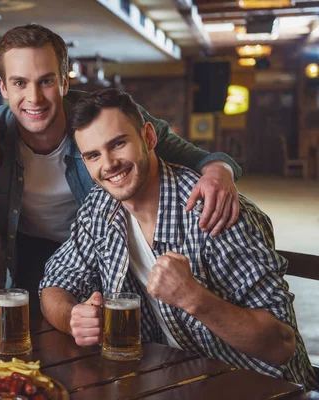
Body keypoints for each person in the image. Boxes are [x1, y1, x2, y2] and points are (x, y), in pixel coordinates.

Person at [0, 24, 242, 309]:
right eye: (20, 83)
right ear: (4, 89)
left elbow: (197, 158)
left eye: (45, 81)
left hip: (97, 253)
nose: (34, 97)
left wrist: (220, 171)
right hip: (22, 252)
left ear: (63, 80)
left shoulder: (101, 121)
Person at [39, 88, 316, 390]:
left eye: (118, 144)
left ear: (148, 137)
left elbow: (281, 343)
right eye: (93, 155)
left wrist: (194, 298)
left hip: (258, 387)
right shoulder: (100, 206)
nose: (109, 165)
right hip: (172, 382)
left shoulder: (215, 211)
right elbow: (55, 283)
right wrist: (72, 318)